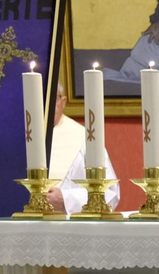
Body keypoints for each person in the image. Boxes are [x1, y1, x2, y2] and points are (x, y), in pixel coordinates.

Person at [45, 81, 121, 215]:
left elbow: (110, 193)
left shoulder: (86, 140)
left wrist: (66, 200)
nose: (45, 105)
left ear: (63, 102)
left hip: (70, 228)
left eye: (51, 98)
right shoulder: (12, 139)